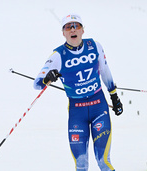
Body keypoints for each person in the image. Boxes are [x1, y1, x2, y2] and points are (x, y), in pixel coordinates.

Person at [33, 14, 123, 171]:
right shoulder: (58, 55)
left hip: (99, 107)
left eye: (77, 26)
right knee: (81, 165)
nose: (73, 29)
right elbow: (37, 84)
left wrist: (114, 97)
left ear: (83, 30)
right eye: (68, 27)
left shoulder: (95, 45)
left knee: (103, 161)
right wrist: (48, 77)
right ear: (63, 32)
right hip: (77, 112)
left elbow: (105, 71)